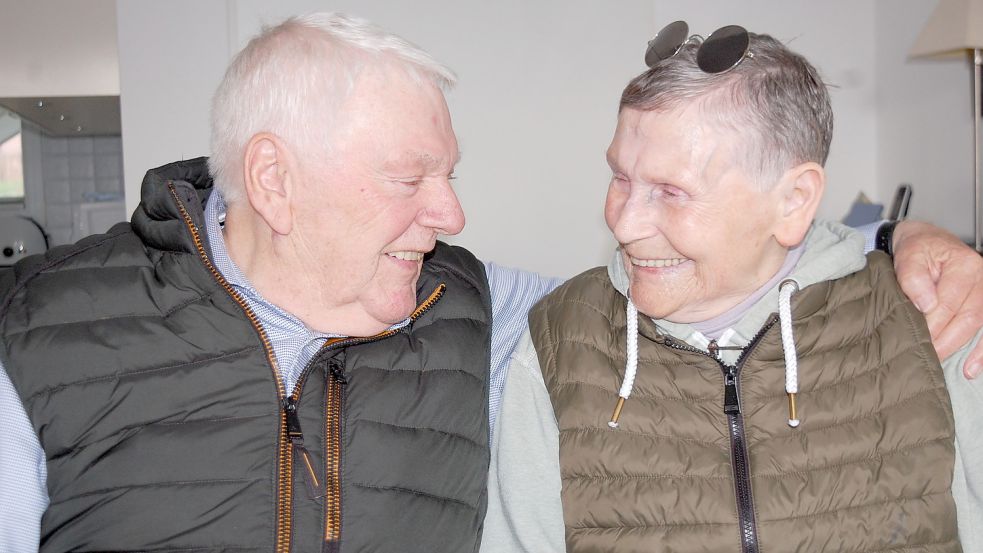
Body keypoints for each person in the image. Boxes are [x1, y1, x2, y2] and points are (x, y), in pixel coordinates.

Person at [0, 13, 980, 553]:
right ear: (273, 181)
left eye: (450, 173)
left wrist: (895, 235)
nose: (450, 214)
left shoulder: (470, 303)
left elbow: (715, 289)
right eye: (410, 179)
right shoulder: (39, 332)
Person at [483, 24, 983, 553]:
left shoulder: (934, 317)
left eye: (671, 192)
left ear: (793, 201)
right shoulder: (559, 342)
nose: (625, 224)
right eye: (621, 179)